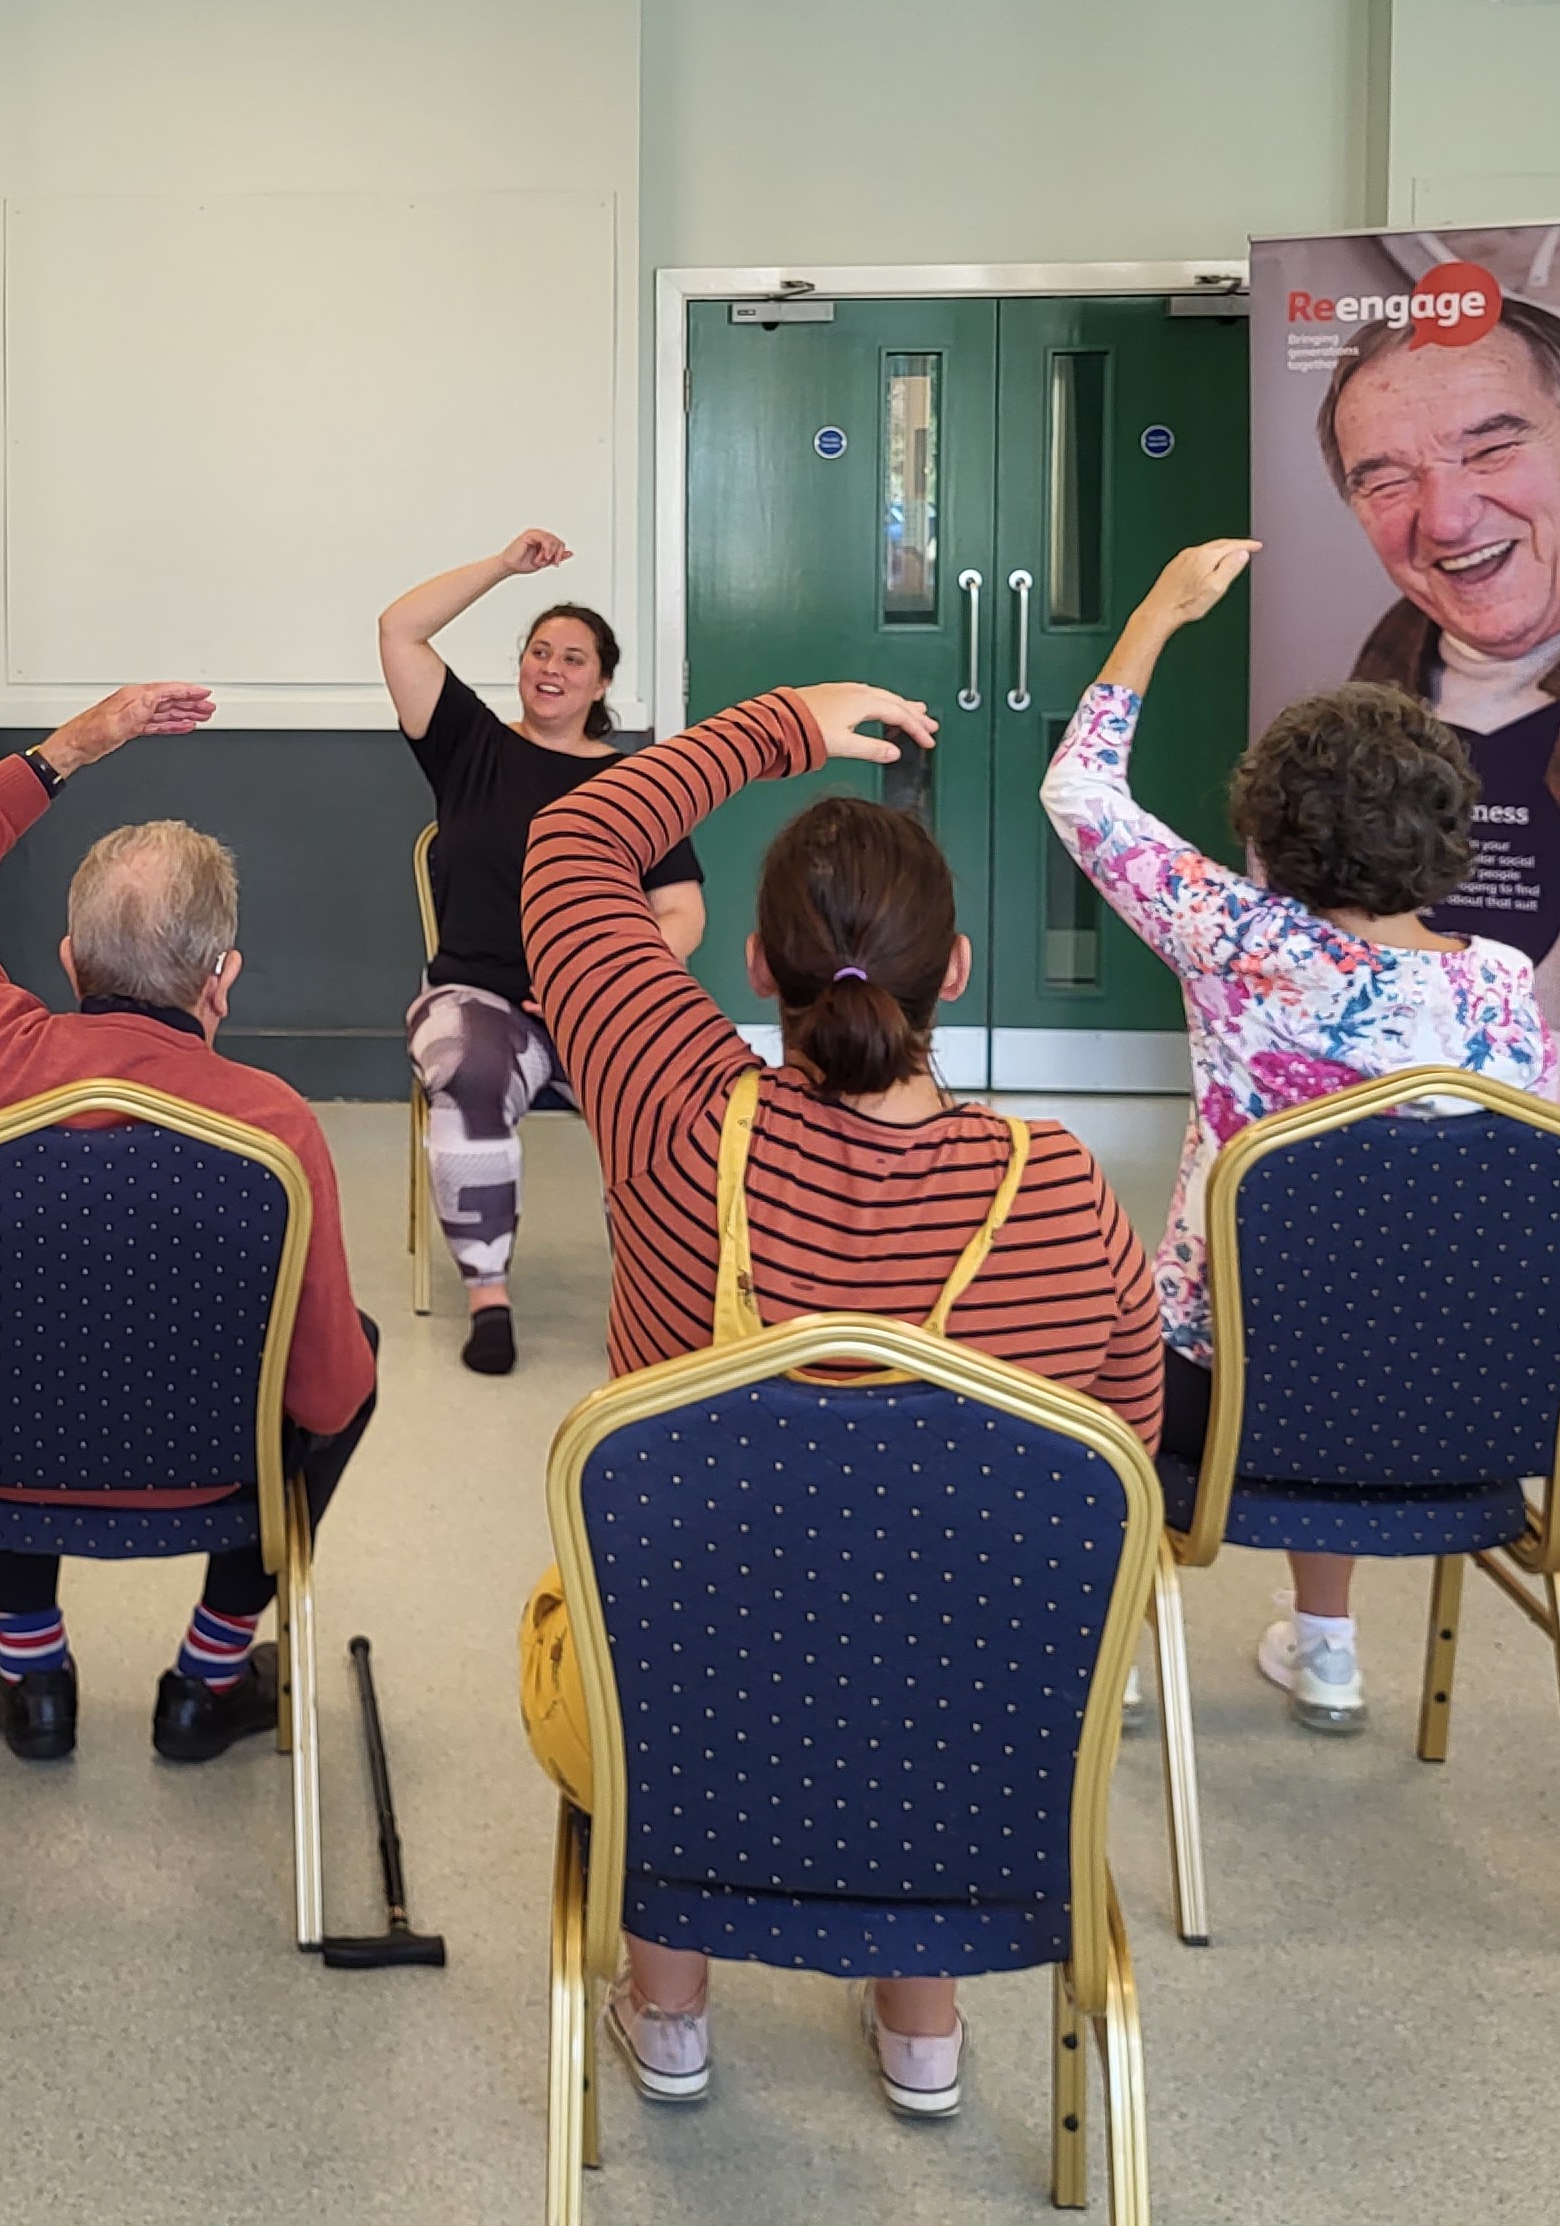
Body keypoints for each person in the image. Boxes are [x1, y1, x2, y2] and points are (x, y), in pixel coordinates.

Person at [512, 677, 1164, 2123]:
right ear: (958, 970)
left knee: (688, 1598)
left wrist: (779, 723)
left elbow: (565, 850)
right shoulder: (1056, 1188)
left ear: (752, 965)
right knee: (937, 1600)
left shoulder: (669, 1111)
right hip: (976, 1758)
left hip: (676, 1729)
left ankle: (666, 2007)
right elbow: (1129, 1472)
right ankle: (919, 2020)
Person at [1045, 539, 1555, 1733]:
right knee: (1378, 1286)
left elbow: (1079, 792)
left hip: (1226, 1398)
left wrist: (1159, 615)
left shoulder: (1237, 939)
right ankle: (1327, 1646)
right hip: (1457, 1410)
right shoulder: (1499, 984)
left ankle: (1118, 1652)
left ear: (1268, 826)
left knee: (1081, 1329)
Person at [0, 680, 381, 1765]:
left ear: (68, 963)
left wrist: (77, 744)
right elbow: (330, 1392)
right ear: (223, 979)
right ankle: (209, 1677)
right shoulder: (274, 1130)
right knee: (357, 1356)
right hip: (212, 1465)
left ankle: (31, 1667)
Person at [379, 531, 706, 1375]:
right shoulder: (471, 745)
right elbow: (399, 629)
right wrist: (498, 567)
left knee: (679, 1094)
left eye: (573, 657)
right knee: (469, 1070)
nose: (550, 667)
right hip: (479, 997)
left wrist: (605, 985)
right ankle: (488, 1296)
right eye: (537, 651)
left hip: (598, 1006)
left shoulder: (639, 781)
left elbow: (679, 911)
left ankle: (662, 1291)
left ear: (602, 682)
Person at [1322, 297, 1560, 1121]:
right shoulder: (1359, 699)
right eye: (1385, 479)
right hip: (1417, 1152)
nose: (1447, 518)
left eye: (1490, 449)